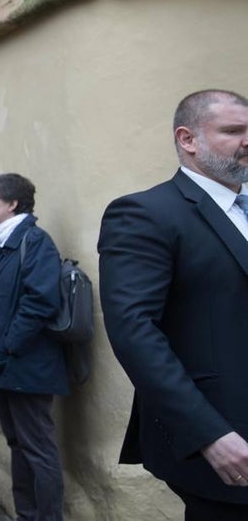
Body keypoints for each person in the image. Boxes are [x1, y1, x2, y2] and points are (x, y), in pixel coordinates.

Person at [99, 89, 248, 520]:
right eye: (233, 130)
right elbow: (135, 333)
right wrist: (208, 434)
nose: (246, 141)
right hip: (224, 438)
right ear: (188, 139)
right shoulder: (145, 213)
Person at [0, 173, 67, 521]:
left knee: (38, 448)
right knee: (17, 444)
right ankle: (27, 514)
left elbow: (40, 301)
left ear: (12, 203)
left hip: (27, 364)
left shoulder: (35, 241)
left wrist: (9, 345)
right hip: (4, 363)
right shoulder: (0, 244)